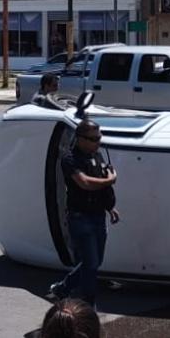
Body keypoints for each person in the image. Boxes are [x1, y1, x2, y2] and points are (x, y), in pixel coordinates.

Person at [49, 119, 120, 307]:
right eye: (93, 138)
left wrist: (110, 207)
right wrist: (111, 180)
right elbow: (85, 183)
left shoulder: (97, 156)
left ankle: (63, 288)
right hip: (80, 218)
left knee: (95, 262)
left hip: (98, 216)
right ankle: (89, 305)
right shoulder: (70, 158)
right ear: (80, 138)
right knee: (90, 263)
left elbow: (101, 183)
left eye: (99, 137)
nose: (98, 142)